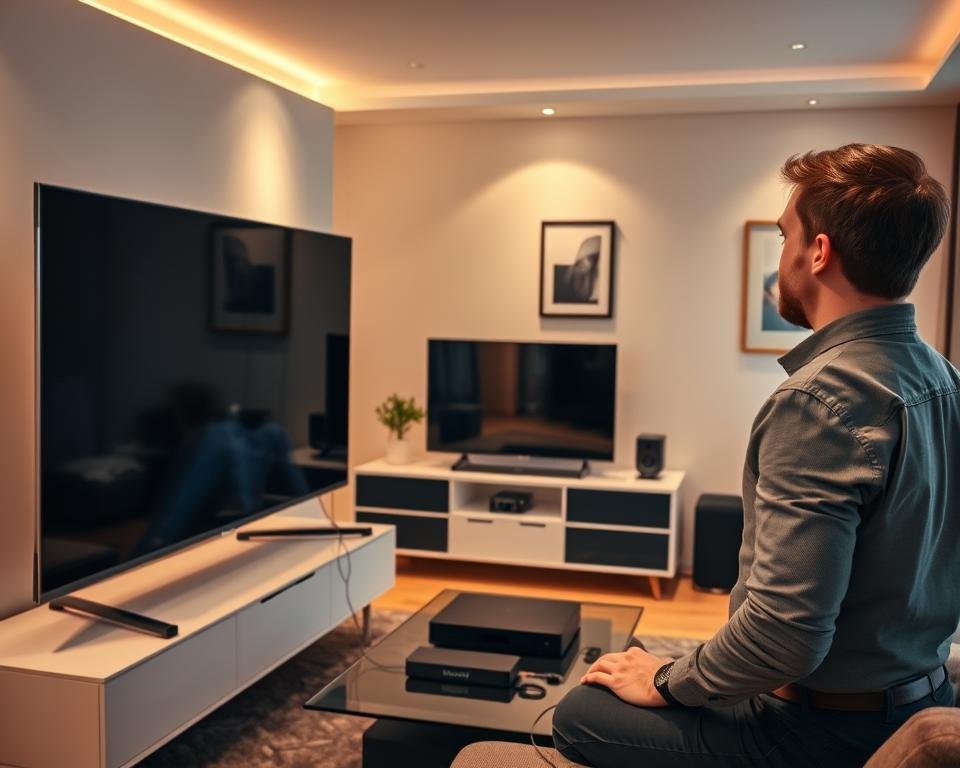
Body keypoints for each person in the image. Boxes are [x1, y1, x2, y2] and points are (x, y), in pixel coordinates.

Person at [552, 143, 960, 767]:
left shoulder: (819, 402)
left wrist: (666, 679)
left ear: (818, 252)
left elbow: (783, 637)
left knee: (579, 714)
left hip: (815, 732)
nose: (781, 256)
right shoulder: (944, 379)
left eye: (782, 237)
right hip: (924, 696)